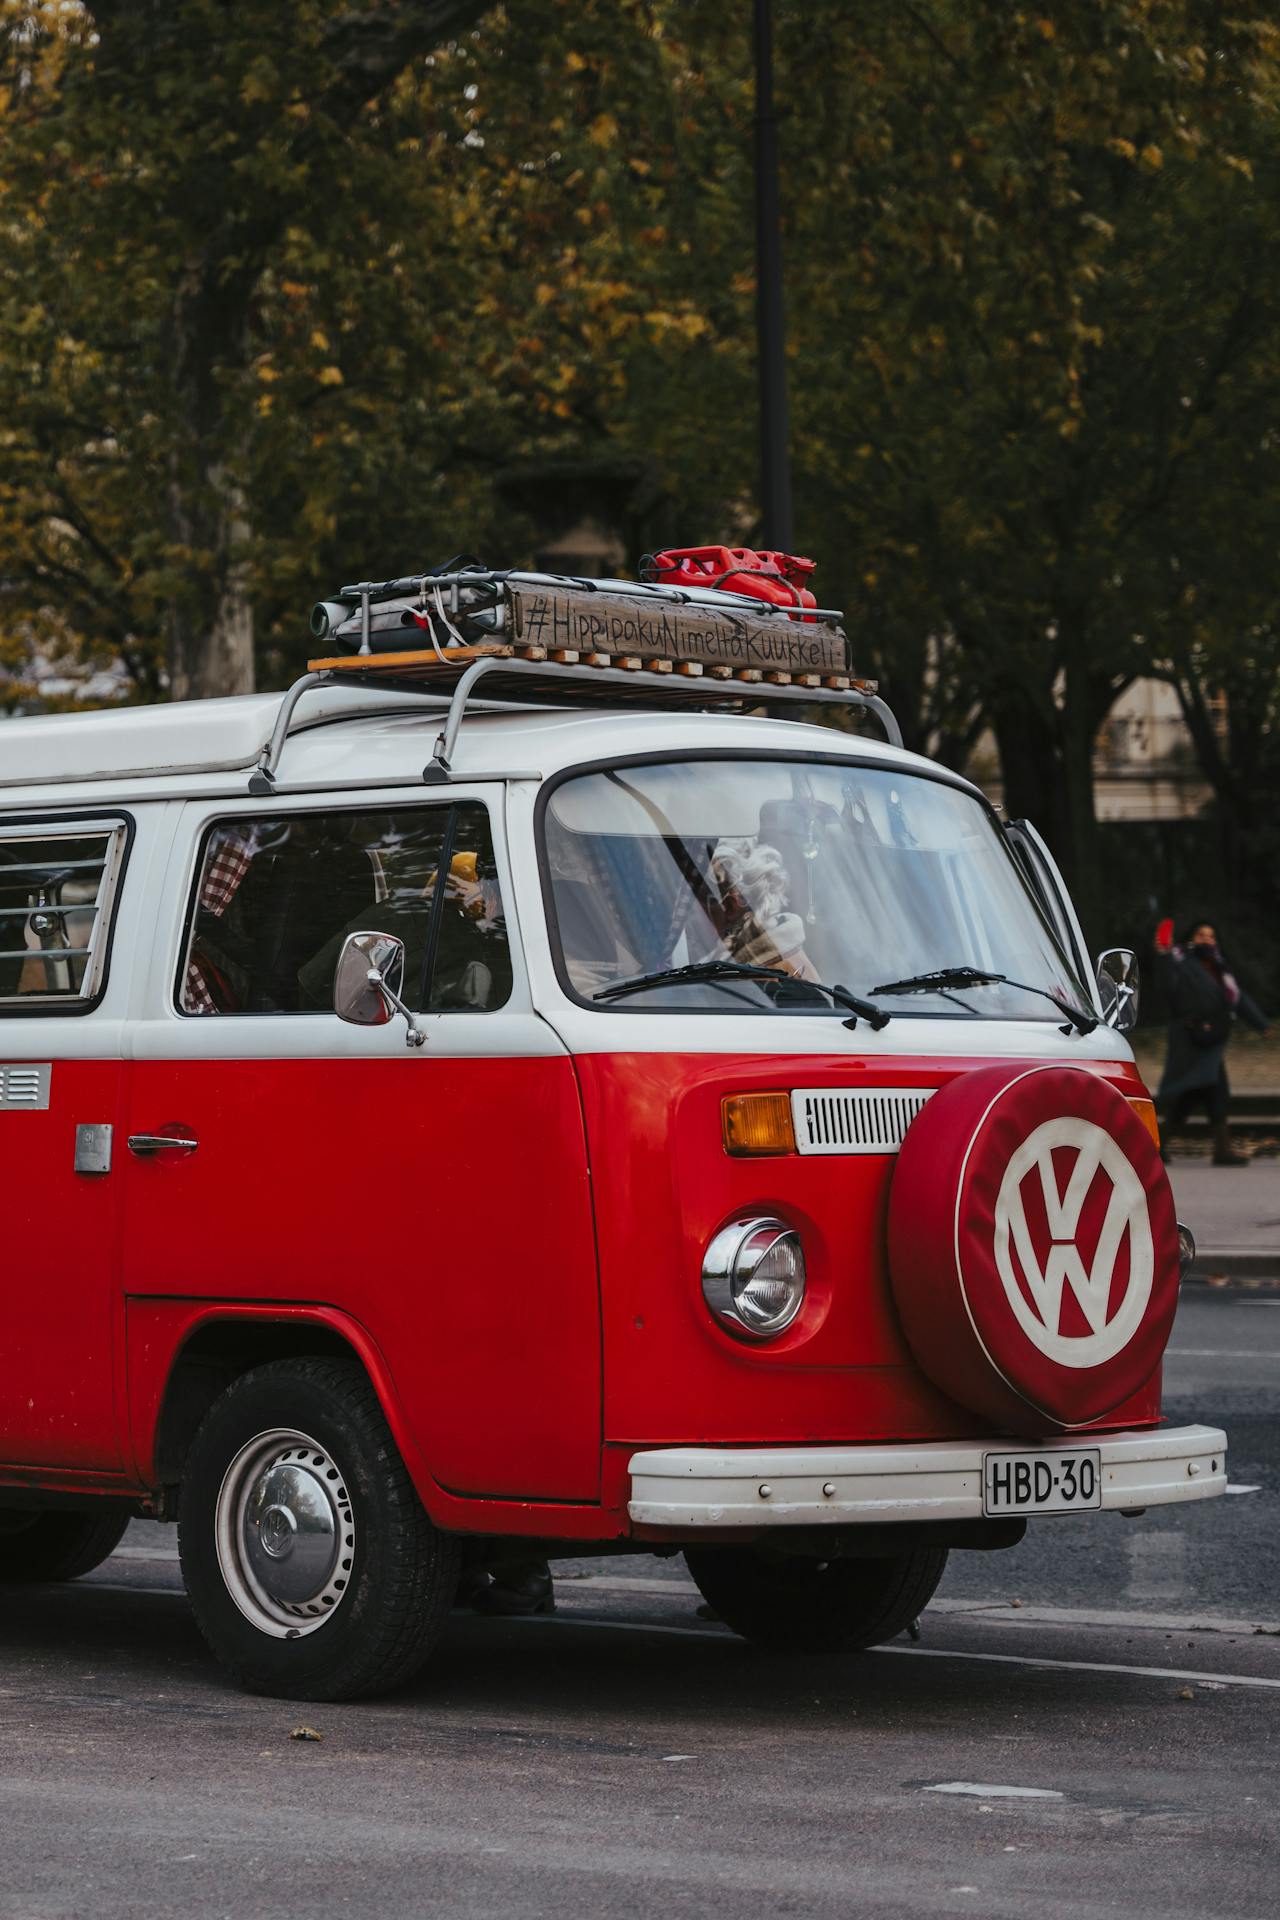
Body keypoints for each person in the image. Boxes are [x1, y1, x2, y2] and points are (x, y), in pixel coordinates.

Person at [1155, 917, 1270, 1165]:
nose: (1206, 940)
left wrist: (1262, 1025)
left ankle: (1169, 1145)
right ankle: (1217, 1149)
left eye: (1211, 936)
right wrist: (1164, 955)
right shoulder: (1179, 961)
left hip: (1211, 1041)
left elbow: (1239, 999)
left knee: (1207, 1092)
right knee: (1202, 1091)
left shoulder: (1220, 968)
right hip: (1190, 1039)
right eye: (1201, 935)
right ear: (1190, 939)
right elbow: (1168, 990)